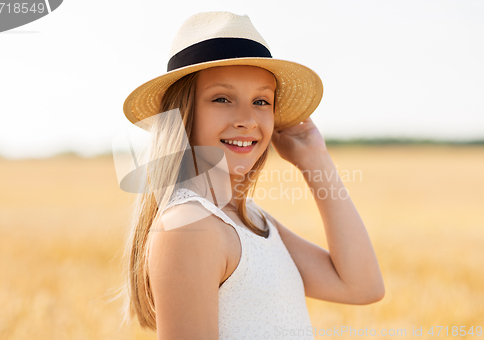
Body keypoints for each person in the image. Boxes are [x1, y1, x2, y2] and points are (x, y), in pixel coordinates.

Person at [119, 11, 385, 339]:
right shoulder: (190, 227)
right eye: (222, 98)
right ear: (183, 113)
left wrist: (315, 161)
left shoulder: (247, 218)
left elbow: (362, 286)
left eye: (261, 101)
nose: (247, 119)